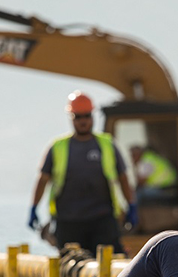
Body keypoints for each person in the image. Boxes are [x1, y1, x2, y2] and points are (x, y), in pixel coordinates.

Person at [28, 91, 138, 254]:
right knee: (71, 264)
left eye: (86, 116)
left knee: (109, 261)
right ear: (71, 118)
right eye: (78, 117)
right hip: (68, 222)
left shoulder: (106, 144)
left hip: (103, 220)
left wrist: (131, 205)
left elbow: (122, 177)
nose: (83, 121)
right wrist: (34, 207)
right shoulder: (58, 147)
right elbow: (43, 179)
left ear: (92, 116)